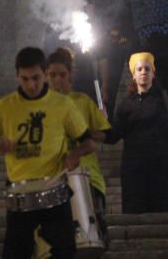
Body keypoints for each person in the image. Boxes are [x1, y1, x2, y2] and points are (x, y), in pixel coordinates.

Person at [0, 46, 95, 259]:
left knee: (65, 251)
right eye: (24, 79)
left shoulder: (63, 104)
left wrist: (75, 154)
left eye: (36, 78)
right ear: (17, 75)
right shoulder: (4, 106)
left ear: (45, 74)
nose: (31, 85)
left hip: (55, 191)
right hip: (19, 194)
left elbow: (88, 142)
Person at [105, 52, 168, 214]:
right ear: (133, 75)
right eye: (139, 69)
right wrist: (101, 121)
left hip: (161, 166)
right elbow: (113, 136)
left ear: (153, 73)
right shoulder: (125, 105)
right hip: (134, 168)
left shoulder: (166, 99)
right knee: (134, 211)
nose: (143, 72)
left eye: (147, 69)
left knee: (161, 212)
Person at [46, 47, 112, 242]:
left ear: (71, 74)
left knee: (92, 239)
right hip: (53, 178)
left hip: (87, 177)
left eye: (62, 75)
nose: (58, 80)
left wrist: (86, 130)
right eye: (52, 75)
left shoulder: (82, 101)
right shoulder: (41, 105)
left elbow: (105, 135)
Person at [85, 0, 143, 115]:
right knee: (108, 82)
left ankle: (139, 116)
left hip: (135, 32)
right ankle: (105, 121)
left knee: (141, 79)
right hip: (111, 32)